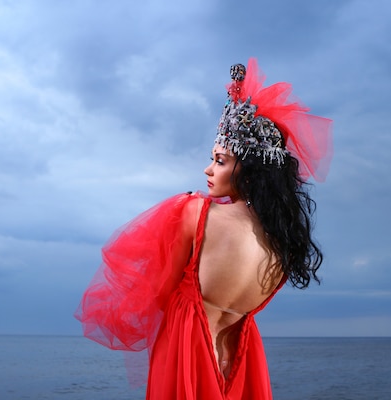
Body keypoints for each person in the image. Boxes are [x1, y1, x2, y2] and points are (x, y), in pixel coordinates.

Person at [75, 58, 332, 399]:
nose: (208, 169)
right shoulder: (281, 243)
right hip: (241, 361)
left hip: (187, 354)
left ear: (250, 170)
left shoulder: (195, 213)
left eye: (220, 160)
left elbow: (157, 293)